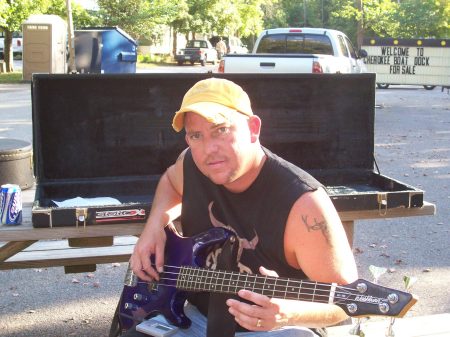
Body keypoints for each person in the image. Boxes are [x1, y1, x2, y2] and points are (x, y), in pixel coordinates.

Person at [125, 78, 358, 337]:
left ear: (253, 128)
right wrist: (155, 224)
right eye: (196, 135)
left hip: (275, 329)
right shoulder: (191, 164)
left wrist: (287, 313)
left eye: (221, 130)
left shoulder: (303, 204)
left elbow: (347, 300)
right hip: (196, 320)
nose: (208, 150)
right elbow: (170, 180)